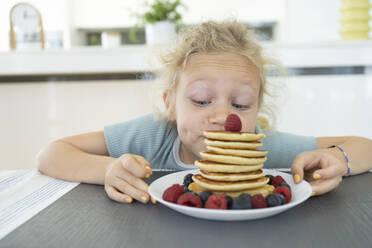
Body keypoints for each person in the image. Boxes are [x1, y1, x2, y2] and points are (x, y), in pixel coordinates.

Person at [37, 20, 372, 204]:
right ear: (169, 104)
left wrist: (340, 158)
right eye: (201, 100)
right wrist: (109, 169)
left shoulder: (261, 146)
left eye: (240, 105)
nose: (222, 116)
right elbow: (51, 154)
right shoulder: (149, 136)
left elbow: (364, 145)